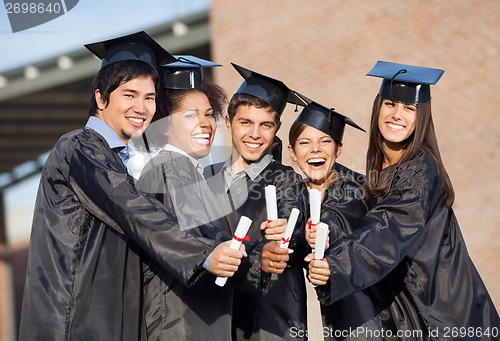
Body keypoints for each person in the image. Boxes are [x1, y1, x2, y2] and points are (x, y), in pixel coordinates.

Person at [19, 32, 245, 341]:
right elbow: (128, 205)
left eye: (149, 97)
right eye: (129, 94)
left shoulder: (129, 161)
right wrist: (203, 254)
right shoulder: (78, 147)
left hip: (117, 316)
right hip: (75, 316)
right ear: (101, 98)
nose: (141, 107)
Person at [307, 61, 500, 339]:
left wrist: (336, 265)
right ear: (378, 108)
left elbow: (388, 226)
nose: (397, 115)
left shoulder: (420, 169)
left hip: (446, 315)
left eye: (409, 109)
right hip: (418, 311)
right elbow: (361, 201)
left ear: (421, 118)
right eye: (390, 104)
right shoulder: (383, 169)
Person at [262, 99, 390, 340]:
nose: (315, 150)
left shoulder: (354, 187)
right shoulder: (296, 191)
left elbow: (341, 215)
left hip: (371, 312)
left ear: (338, 149)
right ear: (292, 152)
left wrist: (324, 231)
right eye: (305, 143)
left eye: (325, 141)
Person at [205, 63, 309, 340]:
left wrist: (287, 231)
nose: (255, 134)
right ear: (228, 122)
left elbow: (294, 228)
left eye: (266, 125)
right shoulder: (203, 179)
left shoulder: (287, 180)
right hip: (216, 319)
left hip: (271, 320)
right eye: (245, 122)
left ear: (277, 129)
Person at [133, 55, 234, 340]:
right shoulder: (167, 168)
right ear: (164, 123)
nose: (205, 123)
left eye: (209, 114)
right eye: (190, 115)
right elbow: (188, 240)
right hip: (180, 321)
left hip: (198, 317)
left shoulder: (191, 171)